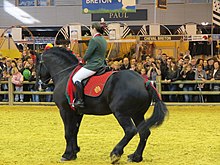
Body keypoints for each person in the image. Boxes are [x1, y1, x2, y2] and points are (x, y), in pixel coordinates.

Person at [72, 22, 107, 108]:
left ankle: (80, 100)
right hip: (101, 64)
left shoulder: (94, 40)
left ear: (94, 29)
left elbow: (88, 53)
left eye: (91, 29)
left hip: (93, 65)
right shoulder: (103, 40)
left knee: (76, 78)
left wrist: (82, 60)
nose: (91, 31)